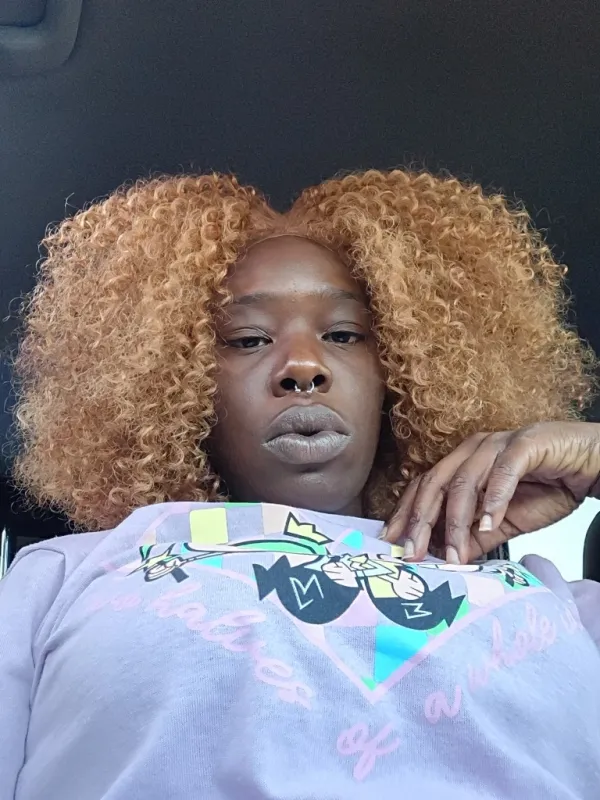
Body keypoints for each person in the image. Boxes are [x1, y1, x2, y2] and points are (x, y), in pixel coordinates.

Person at [2, 169, 600, 799]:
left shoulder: (559, 599)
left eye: (343, 335)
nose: (303, 367)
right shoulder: (64, 576)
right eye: (247, 339)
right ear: (182, 385)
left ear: (397, 373)